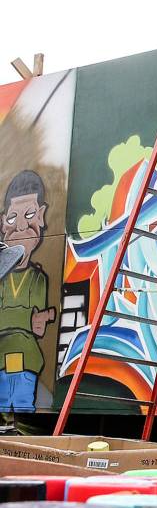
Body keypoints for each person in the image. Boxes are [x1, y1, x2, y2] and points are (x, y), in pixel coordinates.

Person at [0, 170, 57, 412]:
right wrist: (26, 318)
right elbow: (31, 319)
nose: (21, 225)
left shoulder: (38, 278)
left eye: (30, 214)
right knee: (5, 402)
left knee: (23, 403)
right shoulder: (4, 277)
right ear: (4, 221)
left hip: (26, 356)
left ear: (41, 216)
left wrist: (22, 318)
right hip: (6, 356)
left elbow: (38, 324)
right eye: (13, 218)